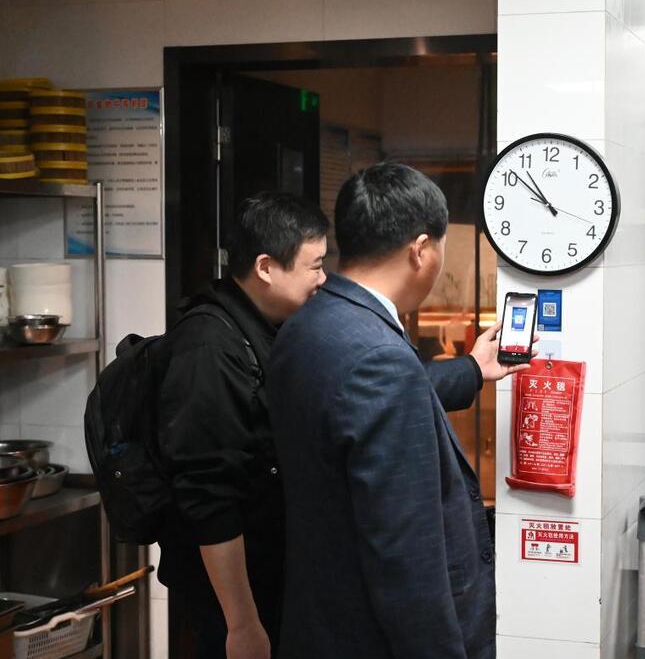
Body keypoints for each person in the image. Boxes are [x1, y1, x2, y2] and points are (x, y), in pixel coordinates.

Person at [268, 163, 528, 659]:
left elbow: (363, 400)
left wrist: (472, 370)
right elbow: (406, 556)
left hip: (320, 620)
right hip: (372, 639)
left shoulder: (310, 324)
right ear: (421, 250)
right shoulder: (379, 357)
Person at [156, 192, 329, 659]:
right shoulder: (209, 347)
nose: (322, 278)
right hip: (234, 598)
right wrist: (242, 623)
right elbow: (208, 496)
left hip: (272, 574)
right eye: (314, 266)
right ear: (266, 267)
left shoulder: (267, 327)